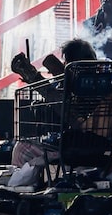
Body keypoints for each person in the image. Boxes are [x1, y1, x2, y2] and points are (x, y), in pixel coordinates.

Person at [11, 38, 98, 170]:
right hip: (98, 145)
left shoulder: (72, 86)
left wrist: (34, 79)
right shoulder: (100, 81)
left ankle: (21, 183)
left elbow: (69, 114)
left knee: (21, 149)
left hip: (75, 147)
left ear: (70, 62)